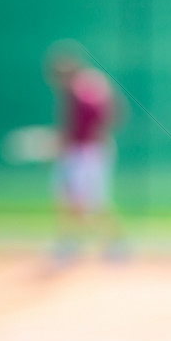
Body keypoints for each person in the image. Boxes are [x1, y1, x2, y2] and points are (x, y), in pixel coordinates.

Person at [44, 41, 126, 262]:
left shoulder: (82, 89)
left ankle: (114, 244)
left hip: (87, 152)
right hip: (84, 151)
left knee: (91, 202)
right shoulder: (87, 85)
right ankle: (70, 243)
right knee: (70, 200)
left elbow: (82, 125)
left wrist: (62, 144)